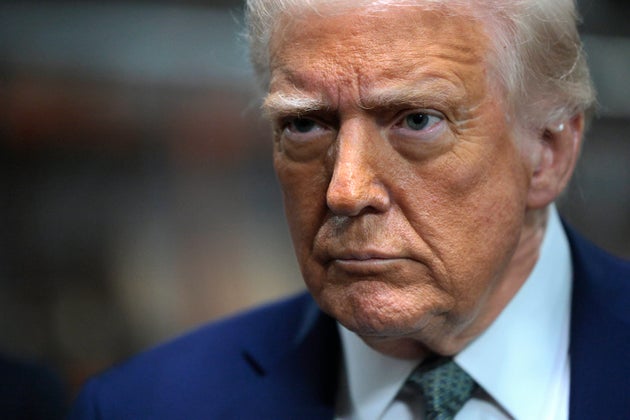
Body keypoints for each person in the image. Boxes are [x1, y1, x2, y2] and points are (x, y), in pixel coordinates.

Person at [69, 0, 629, 419]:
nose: (345, 190)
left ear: (548, 153)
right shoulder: (142, 406)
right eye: (305, 124)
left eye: (416, 120)